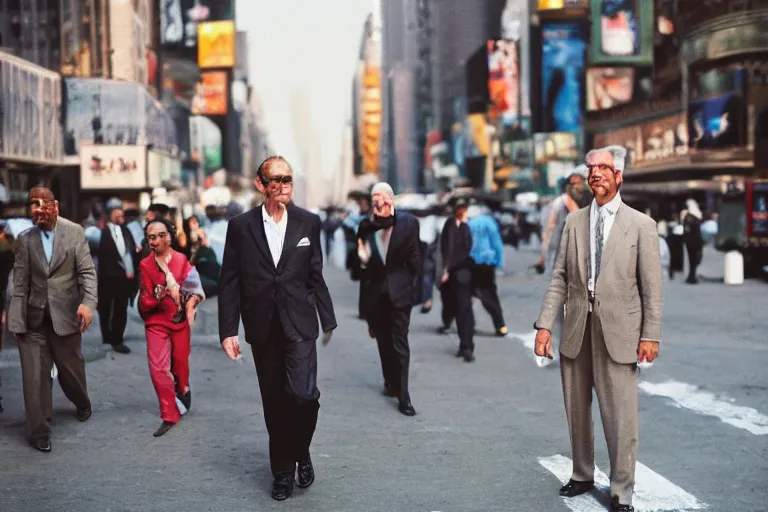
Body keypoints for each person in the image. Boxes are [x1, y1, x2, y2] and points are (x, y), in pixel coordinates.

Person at [533, 146, 663, 512]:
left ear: (619, 176)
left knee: (620, 415)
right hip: (576, 326)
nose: (596, 173)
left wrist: (650, 334)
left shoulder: (641, 226)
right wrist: (544, 325)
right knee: (576, 407)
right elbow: (559, 277)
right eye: (592, 168)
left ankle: (622, 491)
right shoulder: (573, 223)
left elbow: (652, 287)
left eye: (605, 167)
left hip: (620, 330)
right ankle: (582, 473)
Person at [218, 156, 337, 501]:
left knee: (303, 396)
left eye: (288, 179)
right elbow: (229, 282)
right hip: (262, 326)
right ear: (260, 184)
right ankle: (283, 471)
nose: (284, 185)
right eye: (277, 180)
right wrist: (228, 330)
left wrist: (327, 319)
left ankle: (301, 449)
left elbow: (315, 274)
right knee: (274, 401)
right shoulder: (240, 227)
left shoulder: (308, 223)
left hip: (300, 323)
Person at [8, 187, 98, 453]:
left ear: (55, 206)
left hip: (66, 317)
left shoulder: (74, 233)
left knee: (71, 372)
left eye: (40, 203)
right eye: (31, 205)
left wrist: (88, 304)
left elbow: (87, 273)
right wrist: (16, 321)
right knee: (34, 378)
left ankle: (82, 401)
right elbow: (20, 283)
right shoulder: (24, 239)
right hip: (34, 319)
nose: (36, 209)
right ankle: (39, 432)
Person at [356, 182, 420, 416]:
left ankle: (404, 396)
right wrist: (365, 310)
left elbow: (415, 260)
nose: (378, 204)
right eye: (374, 199)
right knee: (383, 341)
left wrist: (412, 290)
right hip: (376, 295)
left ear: (391, 200)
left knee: (400, 342)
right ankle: (390, 382)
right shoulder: (364, 225)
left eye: (381, 199)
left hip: (400, 295)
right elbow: (361, 269)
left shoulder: (409, 223)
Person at [138, 217, 204, 437]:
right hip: (156, 322)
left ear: (170, 235)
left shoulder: (181, 260)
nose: (156, 240)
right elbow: (144, 300)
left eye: (161, 235)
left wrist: (190, 302)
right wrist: (160, 296)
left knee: (180, 365)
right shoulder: (146, 264)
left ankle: (183, 387)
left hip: (179, 322)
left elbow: (195, 289)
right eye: (151, 237)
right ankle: (169, 413)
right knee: (158, 368)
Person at [96, 198, 139, 354]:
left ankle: (117, 339)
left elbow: (132, 252)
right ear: (110, 214)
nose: (121, 214)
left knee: (121, 309)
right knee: (105, 308)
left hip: (124, 277)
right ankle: (107, 336)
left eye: (121, 210)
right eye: (117, 211)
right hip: (107, 278)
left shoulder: (126, 231)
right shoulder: (101, 232)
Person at [439, 197, 475, 362]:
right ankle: (463, 343)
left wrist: (448, 268)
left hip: (465, 273)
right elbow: (446, 248)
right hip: (452, 274)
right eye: (459, 207)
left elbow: (468, 249)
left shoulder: (469, 225)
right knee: (454, 306)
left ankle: (467, 346)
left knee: (464, 309)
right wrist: (445, 269)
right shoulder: (449, 225)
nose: (461, 210)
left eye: (464, 207)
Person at [467, 205, 508, 337]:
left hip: (471, 262)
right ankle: (500, 325)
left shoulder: (468, 223)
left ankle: (469, 324)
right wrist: (499, 261)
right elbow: (496, 242)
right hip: (487, 261)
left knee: (467, 293)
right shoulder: (488, 221)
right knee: (490, 292)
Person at [680, 198, 703, 284]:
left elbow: (687, 230)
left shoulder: (689, 217)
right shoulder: (693, 217)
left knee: (692, 260)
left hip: (691, 242)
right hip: (695, 241)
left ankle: (692, 276)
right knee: (694, 260)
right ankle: (692, 276)